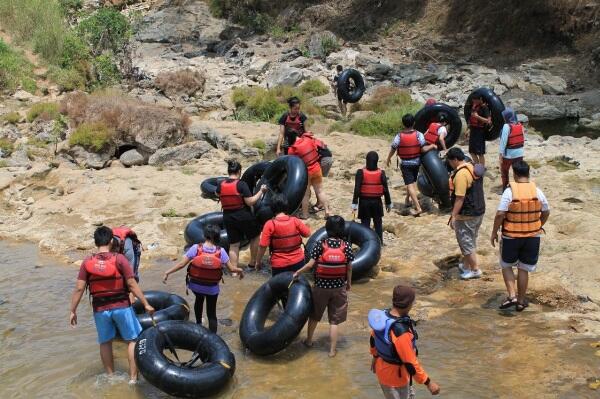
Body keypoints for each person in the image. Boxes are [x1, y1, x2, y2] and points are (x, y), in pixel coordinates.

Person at [69, 226, 155, 385]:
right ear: (111, 241)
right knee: (132, 339)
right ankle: (133, 379)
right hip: (122, 306)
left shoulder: (87, 262)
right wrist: (146, 304)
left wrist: (73, 310)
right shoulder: (119, 259)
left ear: (96, 242)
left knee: (105, 342)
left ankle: (110, 377)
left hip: (100, 310)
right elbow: (131, 284)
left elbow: (79, 288)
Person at [490, 160, 550, 311]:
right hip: (532, 236)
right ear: (528, 173)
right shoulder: (537, 191)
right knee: (524, 269)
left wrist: (494, 232)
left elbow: (500, 214)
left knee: (506, 265)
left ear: (515, 174)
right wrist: (538, 225)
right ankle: (521, 301)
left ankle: (512, 296)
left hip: (512, 236)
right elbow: (546, 211)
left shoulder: (509, 192)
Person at [162, 224, 244, 332]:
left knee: (199, 301)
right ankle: (213, 338)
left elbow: (182, 265)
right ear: (217, 236)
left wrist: (168, 272)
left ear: (205, 235)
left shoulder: (196, 248)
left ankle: (199, 326)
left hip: (196, 286)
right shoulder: (221, 251)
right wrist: (240, 271)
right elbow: (232, 269)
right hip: (212, 288)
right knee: (211, 313)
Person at [293, 215, 354, 357]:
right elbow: (349, 267)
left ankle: (308, 341)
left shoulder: (321, 244)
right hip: (339, 288)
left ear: (327, 228)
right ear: (342, 230)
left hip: (320, 287)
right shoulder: (346, 246)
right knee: (334, 321)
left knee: (314, 316)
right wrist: (348, 283)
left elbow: (310, 264)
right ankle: (332, 350)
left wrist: (298, 272)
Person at [368, 285, 441, 399]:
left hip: (382, 371)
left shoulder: (384, 317)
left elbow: (373, 338)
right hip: (396, 379)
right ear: (409, 304)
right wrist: (428, 383)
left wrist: (375, 356)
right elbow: (410, 363)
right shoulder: (401, 332)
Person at [216, 160, 267, 270]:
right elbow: (250, 202)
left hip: (228, 217)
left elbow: (217, 193)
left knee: (234, 244)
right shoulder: (241, 184)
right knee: (255, 236)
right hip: (243, 215)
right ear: (239, 171)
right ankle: (252, 264)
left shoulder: (221, 184)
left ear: (228, 171)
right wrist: (261, 191)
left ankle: (234, 270)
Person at [385, 114, 436, 216]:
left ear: (403, 124)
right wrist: (432, 146)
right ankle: (407, 200)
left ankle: (418, 208)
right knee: (411, 182)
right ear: (413, 123)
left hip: (405, 164)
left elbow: (393, 148)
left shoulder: (399, 136)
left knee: (410, 184)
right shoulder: (419, 135)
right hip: (416, 163)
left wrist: (388, 158)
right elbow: (423, 149)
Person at [447, 147, 486, 280]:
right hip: (479, 210)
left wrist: (453, 216)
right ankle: (466, 265)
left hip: (467, 213)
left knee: (465, 241)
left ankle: (475, 270)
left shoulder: (462, 174)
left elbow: (460, 197)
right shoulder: (472, 166)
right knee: (471, 238)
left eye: (450, 162)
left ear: (455, 160)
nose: (450, 164)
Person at [255, 194, 311, 275]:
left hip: (279, 264)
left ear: (272, 207)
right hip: (298, 261)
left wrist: (258, 262)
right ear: (286, 206)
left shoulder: (270, 224)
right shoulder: (295, 220)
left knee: (279, 287)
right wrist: (308, 226)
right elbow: (307, 234)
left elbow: (262, 245)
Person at [288, 130, 330, 219]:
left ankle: (305, 214)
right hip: (316, 167)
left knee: (305, 194)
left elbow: (292, 162)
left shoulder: (292, 149)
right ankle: (327, 211)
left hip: (306, 172)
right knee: (320, 191)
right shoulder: (307, 139)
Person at [352, 151, 392, 243]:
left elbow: (357, 189)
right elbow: (385, 189)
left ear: (366, 161)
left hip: (364, 203)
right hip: (377, 203)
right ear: (377, 161)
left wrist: (354, 203)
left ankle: (366, 243)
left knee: (365, 225)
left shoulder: (360, 172)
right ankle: (379, 242)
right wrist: (388, 203)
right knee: (378, 224)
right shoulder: (381, 173)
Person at [112, 226, 142, 303]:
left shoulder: (127, 247)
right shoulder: (106, 244)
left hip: (133, 247)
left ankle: (132, 295)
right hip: (119, 244)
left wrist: (130, 291)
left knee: (132, 271)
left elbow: (131, 272)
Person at [498, 107, 525, 190]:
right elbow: (522, 139)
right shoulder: (520, 125)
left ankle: (505, 188)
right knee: (517, 171)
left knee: (504, 171)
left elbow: (503, 141)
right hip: (519, 153)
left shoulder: (507, 126)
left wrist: (500, 154)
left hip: (509, 155)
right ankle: (519, 187)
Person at [466, 95, 491, 167]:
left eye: (475, 100)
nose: (474, 101)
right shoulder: (474, 106)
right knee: (471, 151)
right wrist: (468, 129)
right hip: (473, 130)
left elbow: (488, 121)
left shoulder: (484, 108)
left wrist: (477, 117)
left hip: (480, 131)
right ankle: (478, 167)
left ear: (480, 99)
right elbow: (471, 119)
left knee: (480, 152)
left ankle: (481, 168)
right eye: (473, 100)